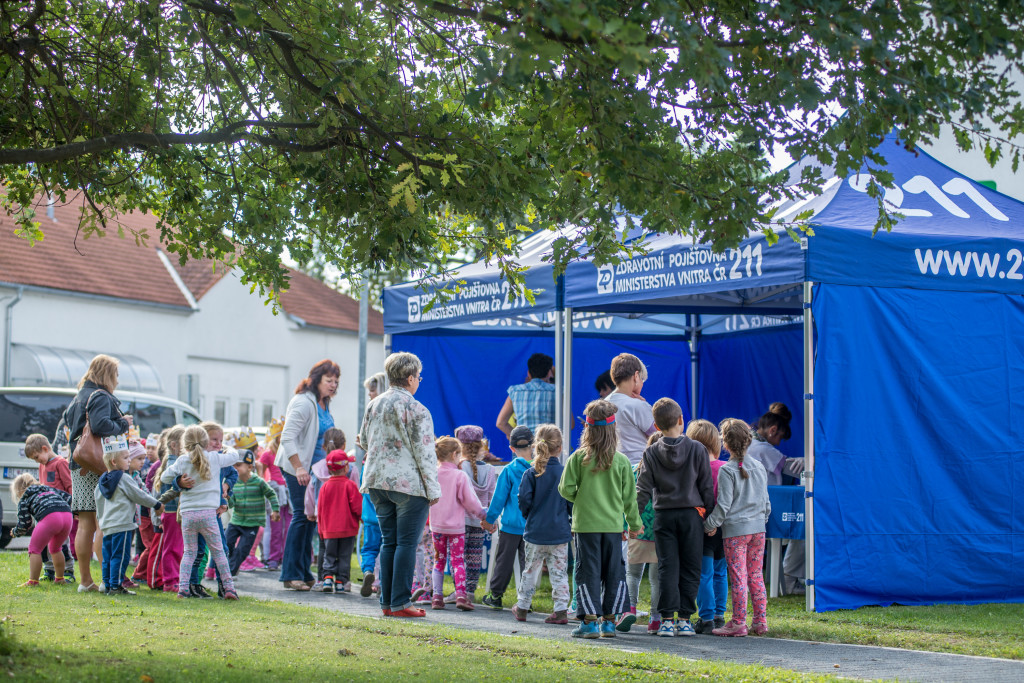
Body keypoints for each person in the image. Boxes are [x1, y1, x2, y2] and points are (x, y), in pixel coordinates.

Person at [359, 351, 440, 618]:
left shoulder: (374, 404)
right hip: (408, 485)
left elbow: (363, 441)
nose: (419, 380)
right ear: (409, 378)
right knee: (406, 543)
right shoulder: (417, 409)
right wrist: (433, 489)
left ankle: (387, 602)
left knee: (389, 541)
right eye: (418, 376)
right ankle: (401, 602)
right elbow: (426, 453)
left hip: (377, 481)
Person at [558, 400, 642, 639]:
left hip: (585, 527)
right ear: (613, 431)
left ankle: (589, 623)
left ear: (588, 430)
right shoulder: (622, 461)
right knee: (614, 572)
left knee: (587, 572)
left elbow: (565, 489)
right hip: (614, 528)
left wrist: (581, 497)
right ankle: (609, 623)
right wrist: (635, 524)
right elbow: (630, 499)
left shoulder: (578, 458)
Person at [634, 398, 714, 637]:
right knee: (691, 567)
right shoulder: (698, 449)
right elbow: (706, 488)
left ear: (656, 427)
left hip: (663, 517)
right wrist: (709, 517)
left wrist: (633, 519)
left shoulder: (650, 452)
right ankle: (685, 619)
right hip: (691, 516)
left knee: (667, 567)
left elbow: (643, 489)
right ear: (681, 421)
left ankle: (667, 619)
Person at [61, 353, 132, 592]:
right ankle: (107, 581)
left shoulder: (78, 396)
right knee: (105, 523)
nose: (118, 380)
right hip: (98, 465)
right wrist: (124, 423)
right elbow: (102, 426)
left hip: (79, 465)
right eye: (116, 374)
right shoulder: (101, 396)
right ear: (107, 374)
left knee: (85, 525)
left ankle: (85, 581)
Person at [704, 419, 771, 637]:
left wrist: (709, 524)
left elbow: (723, 506)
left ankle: (738, 622)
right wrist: (761, 520)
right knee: (755, 575)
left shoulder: (728, 470)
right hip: (758, 529)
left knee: (738, 577)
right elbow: (766, 503)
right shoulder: (759, 466)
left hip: (735, 532)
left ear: (725, 443)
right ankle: (760, 621)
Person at [276, 359, 340, 591]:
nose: (333, 385)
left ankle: (303, 570)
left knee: (310, 520)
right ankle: (291, 574)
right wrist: (299, 467)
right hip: (298, 470)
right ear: (316, 380)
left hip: (314, 472)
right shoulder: (304, 402)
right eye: (328, 380)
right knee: (302, 517)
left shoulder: (323, 404)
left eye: (336, 381)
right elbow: (287, 437)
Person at [162, 425, 242, 600]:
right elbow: (235, 457)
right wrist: (227, 447)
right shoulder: (214, 458)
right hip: (208, 514)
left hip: (188, 515)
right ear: (206, 442)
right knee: (219, 552)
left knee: (189, 552)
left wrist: (179, 481)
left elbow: (164, 478)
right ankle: (229, 588)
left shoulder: (182, 461)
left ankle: (183, 589)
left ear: (185, 443)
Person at [514, 424, 571, 624]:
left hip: (535, 531)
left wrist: (529, 515)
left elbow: (523, 500)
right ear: (560, 447)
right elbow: (571, 501)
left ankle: (522, 606)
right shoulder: (566, 473)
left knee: (530, 570)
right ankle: (561, 609)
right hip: (560, 532)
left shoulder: (531, 473)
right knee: (559, 572)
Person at [94, 444, 166, 595]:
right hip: (123, 524)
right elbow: (138, 495)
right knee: (121, 556)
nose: (128, 460)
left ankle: (107, 583)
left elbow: (98, 503)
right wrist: (156, 504)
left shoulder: (101, 481)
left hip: (107, 525)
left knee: (108, 556)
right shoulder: (124, 478)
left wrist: (101, 520)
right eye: (126, 458)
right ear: (114, 461)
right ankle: (116, 586)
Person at [429, 436, 486, 611]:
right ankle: (461, 595)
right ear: (455, 454)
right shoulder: (459, 476)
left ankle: (437, 597)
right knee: (458, 561)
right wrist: (482, 514)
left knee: (438, 561)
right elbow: (469, 501)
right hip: (455, 528)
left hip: (436, 527)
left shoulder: (432, 473)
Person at [480, 426, 533, 610]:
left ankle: (496, 596)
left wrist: (489, 519)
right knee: (529, 565)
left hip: (510, 525)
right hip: (532, 526)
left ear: (511, 448)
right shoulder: (539, 469)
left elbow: (498, 499)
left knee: (503, 561)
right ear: (532, 445)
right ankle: (526, 601)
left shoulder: (509, 471)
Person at [685, 419, 728, 635]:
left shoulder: (691, 471)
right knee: (721, 573)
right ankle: (720, 615)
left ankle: (707, 617)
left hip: (701, 528)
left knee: (704, 573)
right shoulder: (725, 469)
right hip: (724, 528)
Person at [23, 433, 75, 582]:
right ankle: (49, 570)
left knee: (61, 544)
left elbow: (70, 486)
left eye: (36, 457)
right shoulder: (42, 465)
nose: (37, 461)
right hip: (46, 512)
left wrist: (73, 507)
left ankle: (68, 571)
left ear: (45, 449)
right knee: (44, 544)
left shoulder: (60, 463)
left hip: (61, 511)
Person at [455, 424, 496, 602]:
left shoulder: (458, 468)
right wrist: (490, 519)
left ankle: (459, 591)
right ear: (481, 446)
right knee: (474, 556)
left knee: (458, 557)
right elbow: (490, 497)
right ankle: (470, 591)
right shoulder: (490, 470)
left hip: (459, 520)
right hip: (480, 520)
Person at [9, 474, 73, 587]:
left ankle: (33, 582)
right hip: (67, 516)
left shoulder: (25, 498)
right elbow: (68, 498)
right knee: (56, 548)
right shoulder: (48, 488)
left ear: (18, 491)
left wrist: (15, 532)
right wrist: (77, 512)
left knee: (34, 549)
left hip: (50, 516)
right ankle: (60, 578)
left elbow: (25, 524)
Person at [312, 449, 362, 593]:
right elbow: (357, 507)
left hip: (329, 530)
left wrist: (321, 530)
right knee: (344, 556)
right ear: (346, 467)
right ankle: (341, 582)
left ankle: (327, 579)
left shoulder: (325, 487)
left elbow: (320, 510)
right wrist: (362, 518)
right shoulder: (350, 485)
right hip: (348, 529)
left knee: (330, 554)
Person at [627, 433, 662, 634]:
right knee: (656, 579)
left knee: (632, 574)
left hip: (637, 529)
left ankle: (629, 608)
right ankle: (655, 619)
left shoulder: (635, 471)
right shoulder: (667, 475)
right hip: (659, 532)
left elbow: (627, 500)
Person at [227, 451, 281, 576]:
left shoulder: (259, 482)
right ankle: (229, 566)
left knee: (243, 550)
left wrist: (275, 510)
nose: (235, 468)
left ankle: (231, 573)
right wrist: (228, 499)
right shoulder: (233, 482)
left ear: (250, 467)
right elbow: (232, 503)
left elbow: (271, 494)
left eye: (238, 465)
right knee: (227, 543)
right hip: (236, 521)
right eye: (233, 465)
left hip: (252, 523)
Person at [306, 427, 346, 588]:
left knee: (324, 546)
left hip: (322, 516)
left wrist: (310, 511)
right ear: (343, 446)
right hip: (343, 516)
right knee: (343, 548)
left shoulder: (316, 469)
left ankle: (323, 579)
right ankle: (343, 580)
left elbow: (310, 492)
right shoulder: (347, 467)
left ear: (323, 447)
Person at [606, 353, 659, 466]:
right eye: (642, 379)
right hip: (637, 469)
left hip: (610, 468)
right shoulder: (637, 405)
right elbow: (660, 436)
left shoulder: (603, 403)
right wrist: (645, 405)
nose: (642, 384)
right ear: (636, 376)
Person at [495, 353, 555, 438]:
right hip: (550, 447)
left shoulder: (515, 391)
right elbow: (570, 424)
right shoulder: (558, 391)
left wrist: (520, 438)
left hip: (523, 448)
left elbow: (501, 423)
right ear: (549, 373)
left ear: (529, 373)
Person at [257, 417, 288, 571]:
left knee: (288, 527)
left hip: (288, 491)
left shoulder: (289, 450)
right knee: (275, 528)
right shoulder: (268, 454)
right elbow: (260, 472)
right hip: (275, 492)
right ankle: (273, 558)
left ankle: (285, 557)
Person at [746, 411, 790, 486]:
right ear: (773, 430)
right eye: (780, 437)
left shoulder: (749, 443)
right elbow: (790, 468)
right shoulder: (762, 448)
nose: (778, 443)